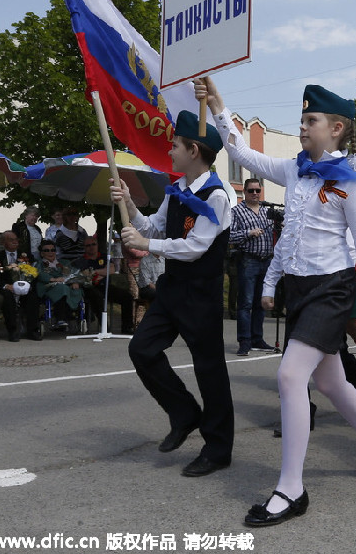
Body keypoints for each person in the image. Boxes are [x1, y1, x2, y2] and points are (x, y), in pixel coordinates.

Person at [195, 76, 356, 527]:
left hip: (332, 287)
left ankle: (291, 488)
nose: (304, 127)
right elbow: (242, 154)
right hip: (301, 289)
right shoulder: (294, 170)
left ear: (338, 129)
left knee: (290, 376)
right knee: (328, 383)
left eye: (312, 121)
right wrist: (218, 107)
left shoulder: (352, 181)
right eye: (303, 120)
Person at [110, 111, 235, 479]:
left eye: (175, 145)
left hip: (201, 294)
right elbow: (152, 225)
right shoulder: (178, 189)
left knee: (209, 371)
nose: (171, 150)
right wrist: (130, 205)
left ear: (193, 149)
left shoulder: (218, 195)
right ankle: (184, 413)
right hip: (172, 290)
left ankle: (218, 449)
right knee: (142, 349)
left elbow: (195, 246)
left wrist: (147, 243)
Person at [230, 177, 277, 355]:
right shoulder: (237, 211)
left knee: (261, 303)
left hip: (267, 261)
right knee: (246, 303)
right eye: (251, 191)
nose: (255, 194)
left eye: (258, 190)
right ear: (244, 192)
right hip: (248, 260)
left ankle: (258, 338)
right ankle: (244, 340)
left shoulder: (267, 211)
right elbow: (229, 236)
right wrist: (248, 233)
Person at [72, 235, 134, 334]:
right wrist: (102, 272)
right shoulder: (80, 261)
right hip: (89, 288)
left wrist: (95, 272)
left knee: (127, 297)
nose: (91, 247)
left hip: (105, 286)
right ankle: (105, 327)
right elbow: (84, 275)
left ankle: (127, 327)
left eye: (93, 244)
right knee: (97, 297)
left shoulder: (105, 257)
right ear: (84, 248)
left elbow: (112, 269)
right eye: (88, 245)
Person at [0, 230, 40, 341]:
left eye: (16, 240)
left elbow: (34, 273)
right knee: (7, 298)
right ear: (3, 242)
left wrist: (27, 285)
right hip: (8, 288)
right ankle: (13, 331)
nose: (15, 242)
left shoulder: (26, 256)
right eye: (11, 240)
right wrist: (5, 286)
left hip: (24, 287)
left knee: (33, 297)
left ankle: (32, 331)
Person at [35, 239, 83, 328]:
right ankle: (62, 318)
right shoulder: (39, 264)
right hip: (48, 287)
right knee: (62, 289)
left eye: (53, 250)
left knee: (76, 289)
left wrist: (74, 281)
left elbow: (73, 273)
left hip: (66, 286)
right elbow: (39, 274)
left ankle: (73, 316)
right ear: (42, 253)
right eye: (46, 250)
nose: (50, 252)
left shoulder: (65, 263)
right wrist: (53, 279)